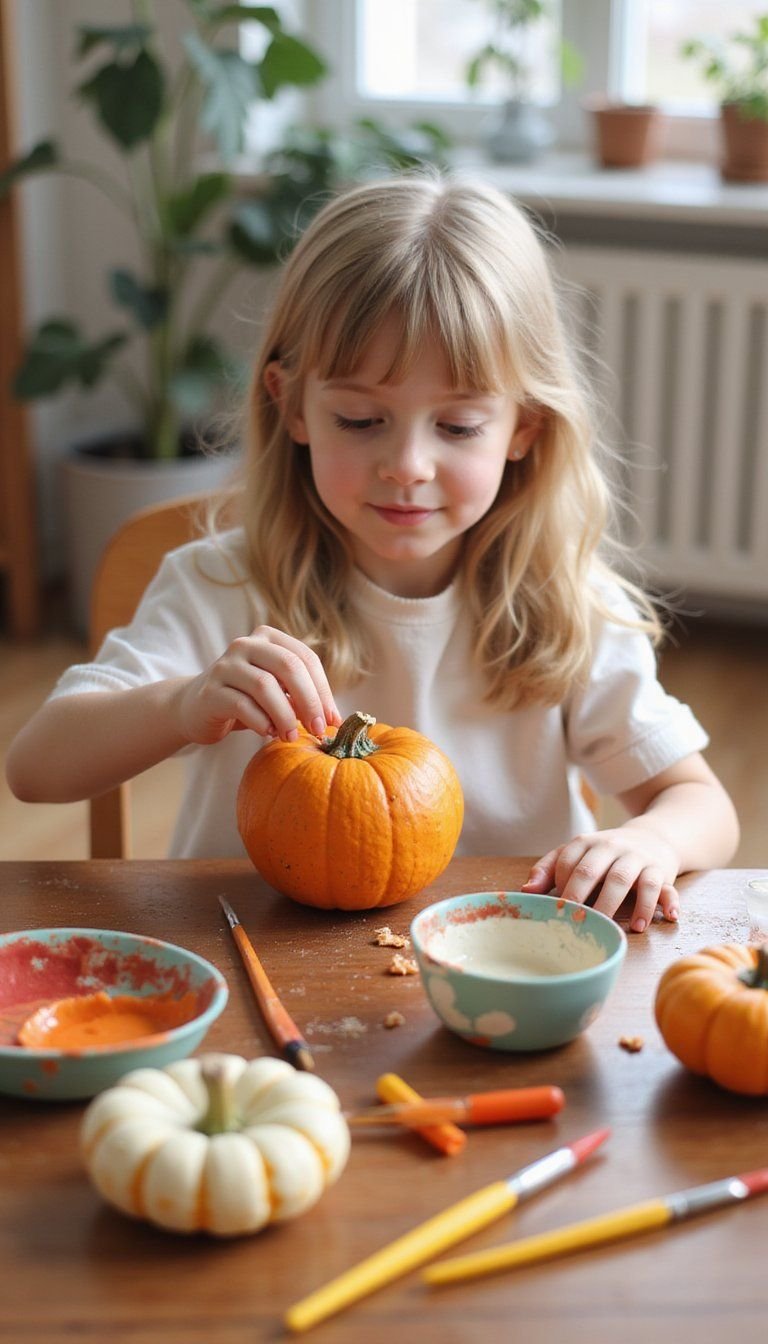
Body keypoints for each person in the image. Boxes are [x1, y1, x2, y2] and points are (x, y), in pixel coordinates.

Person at [7, 174, 738, 932]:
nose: (407, 466)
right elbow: (36, 768)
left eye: (457, 427)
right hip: (253, 959)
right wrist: (181, 705)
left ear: (524, 428)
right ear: (291, 405)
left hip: (504, 963)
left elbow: (700, 803)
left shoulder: (570, 606)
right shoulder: (217, 585)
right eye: (360, 420)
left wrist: (650, 840)